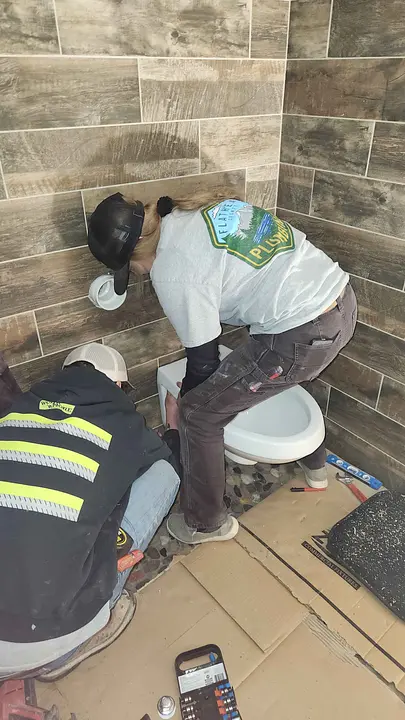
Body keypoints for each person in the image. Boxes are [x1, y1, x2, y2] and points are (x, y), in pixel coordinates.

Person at [88, 191, 357, 546]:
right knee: (277, 376)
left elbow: (204, 362)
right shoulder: (188, 210)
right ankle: (315, 464)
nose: (136, 274)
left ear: (137, 255)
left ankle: (207, 523)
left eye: (130, 269)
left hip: (303, 332)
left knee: (198, 414)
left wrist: (184, 405)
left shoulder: (172, 270)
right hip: (338, 301)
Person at [0, 343, 180, 681]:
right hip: (38, 637)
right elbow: (169, 461)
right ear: (118, 385)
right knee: (164, 476)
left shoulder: (15, 410)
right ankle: (65, 651)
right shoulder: (123, 421)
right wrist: (172, 426)